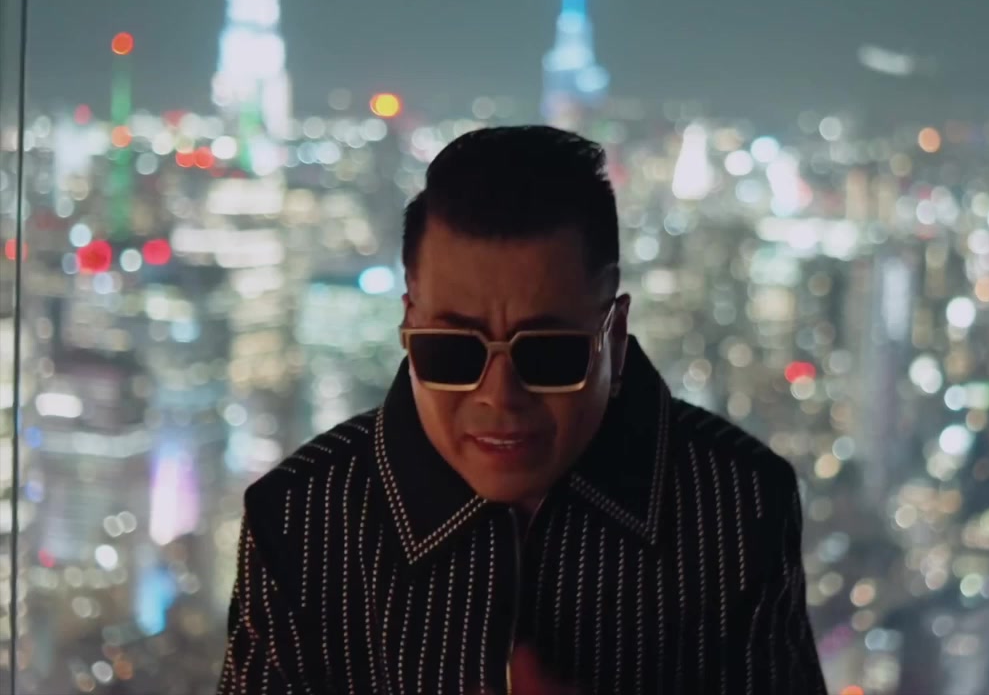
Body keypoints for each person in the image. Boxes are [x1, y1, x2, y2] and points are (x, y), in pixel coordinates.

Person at [217, 125, 825, 694]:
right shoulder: (301, 518)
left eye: (548, 354)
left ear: (614, 337)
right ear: (408, 328)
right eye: (453, 352)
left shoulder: (737, 505)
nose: (500, 395)